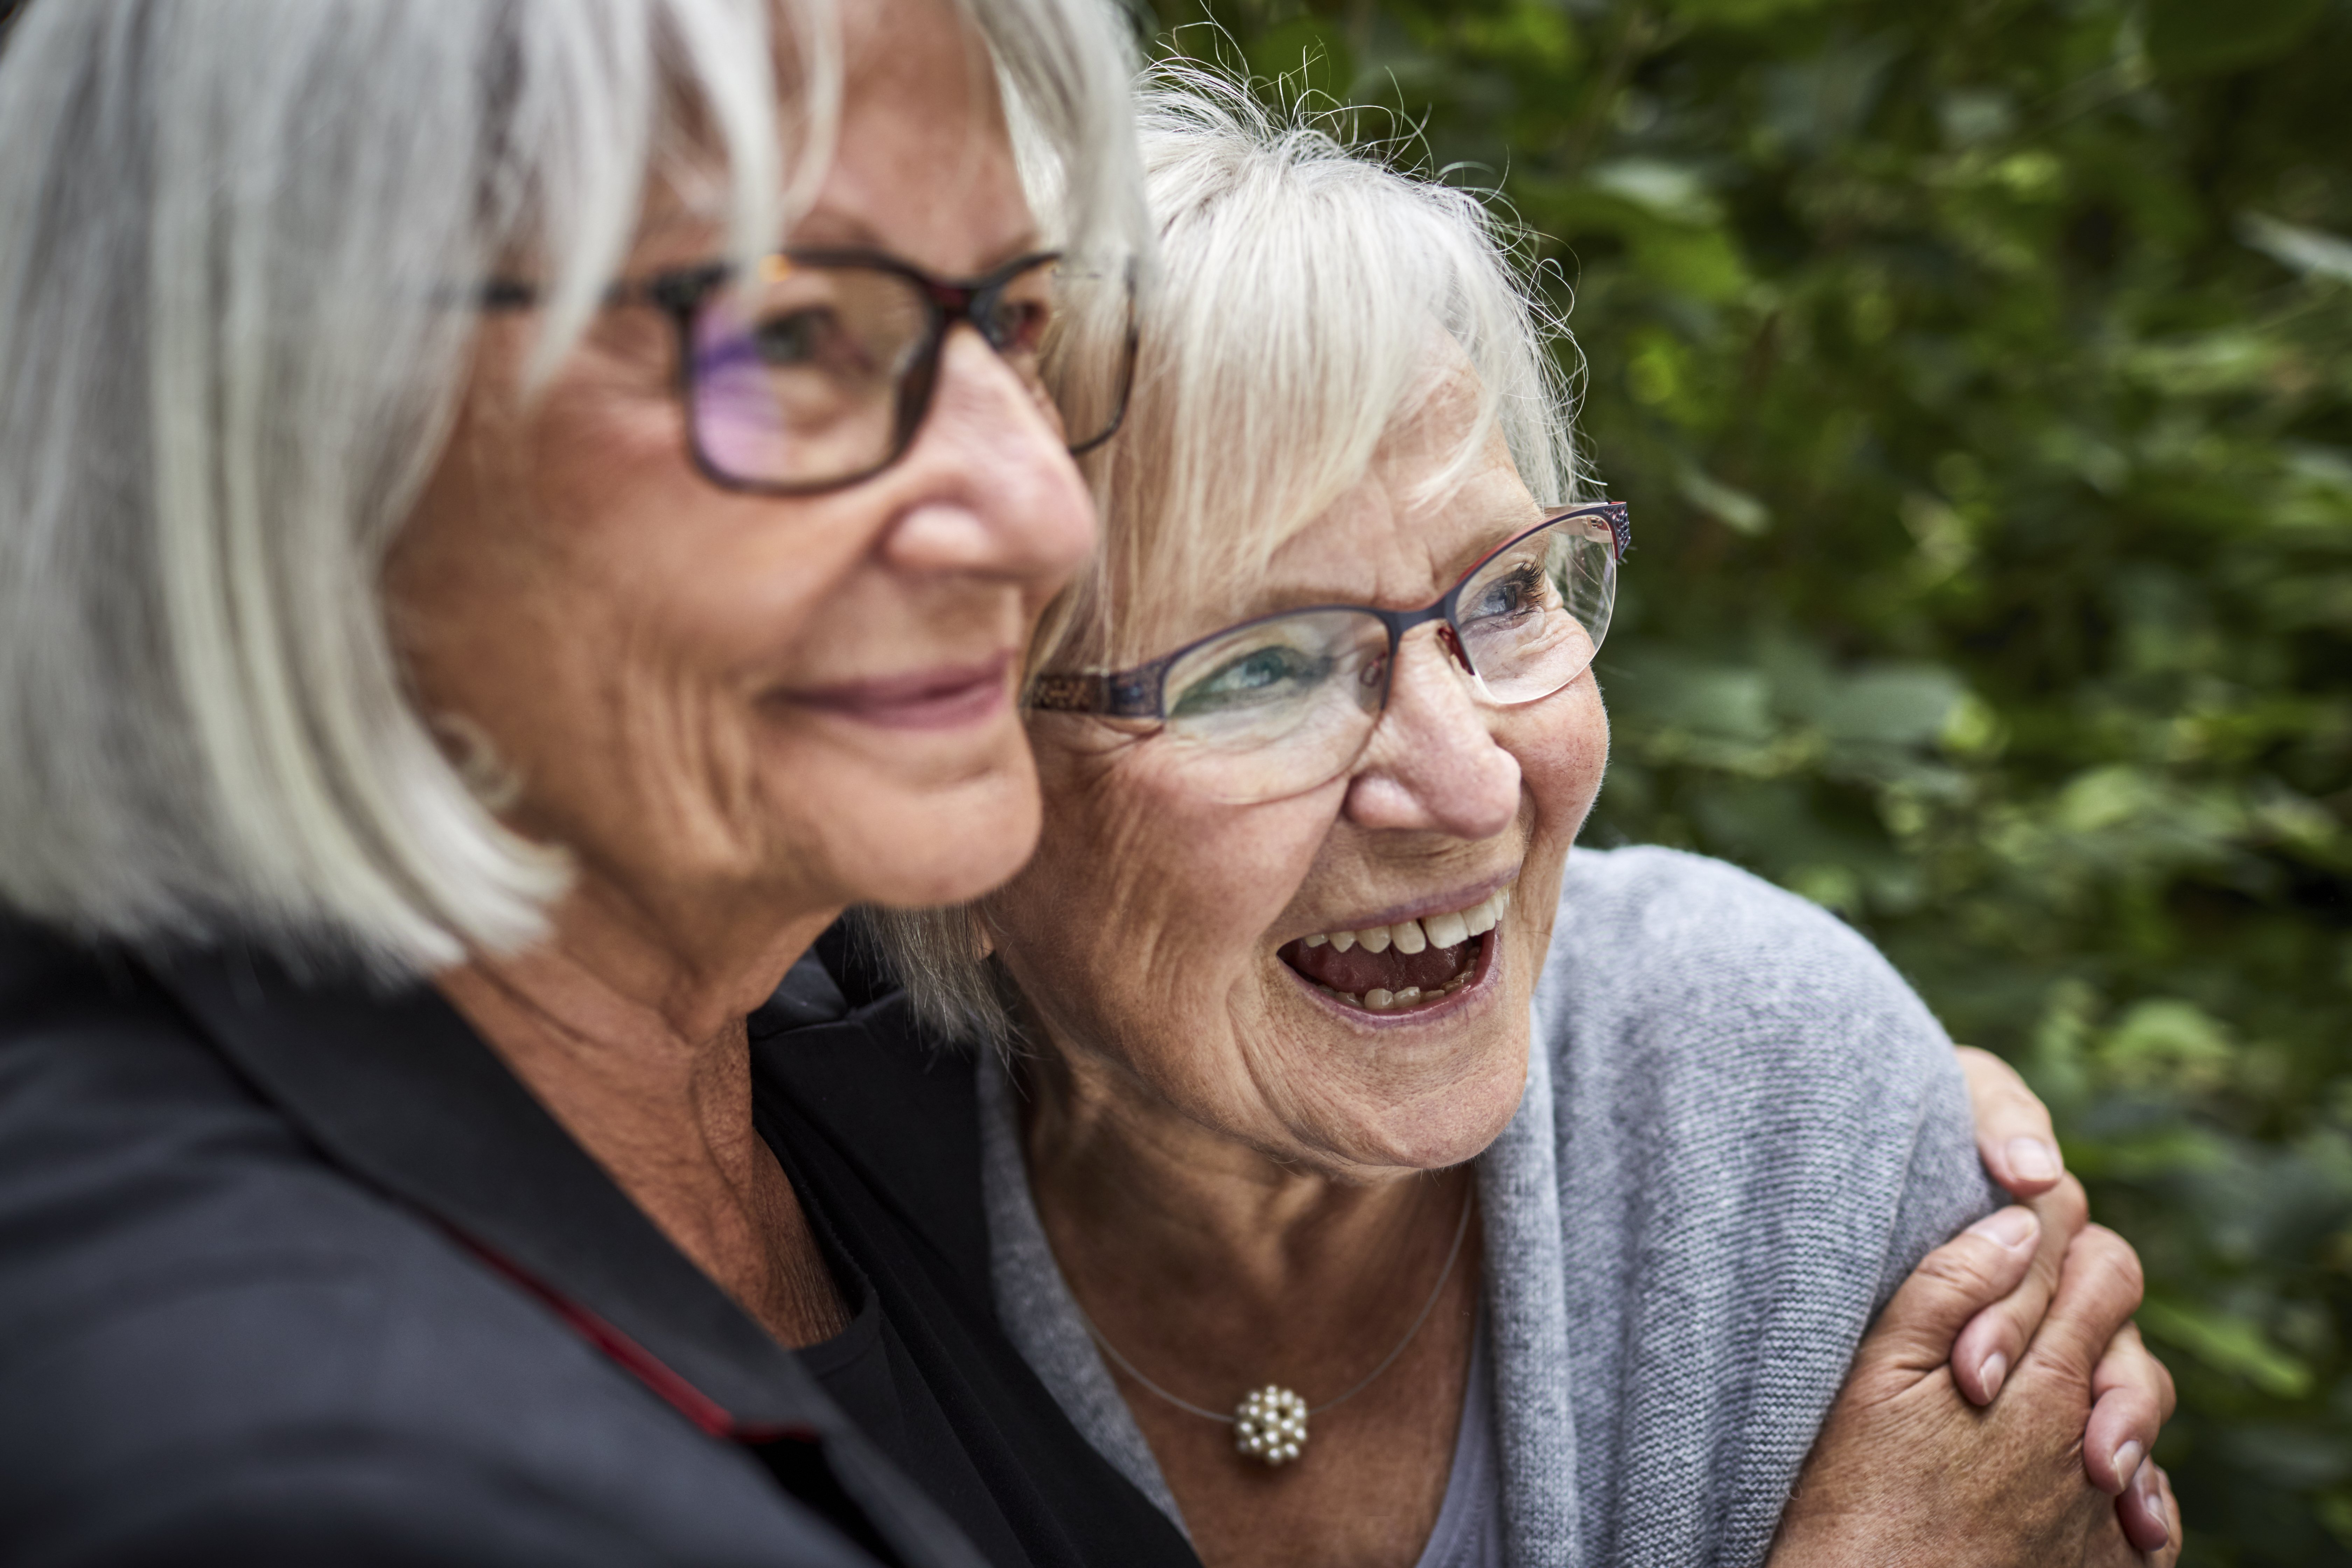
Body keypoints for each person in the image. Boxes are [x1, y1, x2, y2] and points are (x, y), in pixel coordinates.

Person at [819, 77, 2183, 1567]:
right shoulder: (781, 1190)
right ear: (949, 781)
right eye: (1262, 665)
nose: (1474, 785)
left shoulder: (1787, 1119)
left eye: (1509, 592)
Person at [0, 1, 1195, 1563]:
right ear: (273, 409)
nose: (1044, 514)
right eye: (788, 334)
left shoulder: (805, 1028)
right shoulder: (333, 1474)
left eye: (1017, 322)